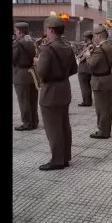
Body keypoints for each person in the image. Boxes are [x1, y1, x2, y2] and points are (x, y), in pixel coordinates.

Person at [35, 15, 78, 170]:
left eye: (46, 29)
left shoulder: (47, 49)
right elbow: (74, 69)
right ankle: (65, 157)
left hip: (51, 91)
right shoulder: (67, 46)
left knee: (53, 128)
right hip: (64, 88)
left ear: (51, 30)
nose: (45, 33)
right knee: (64, 124)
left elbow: (41, 73)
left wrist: (38, 62)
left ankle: (57, 160)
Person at [85, 25, 112, 139]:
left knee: (101, 108)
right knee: (107, 108)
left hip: (100, 82)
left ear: (98, 36)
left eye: (94, 36)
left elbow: (91, 65)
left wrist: (88, 56)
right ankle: (106, 129)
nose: (93, 38)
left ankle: (103, 131)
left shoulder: (99, 49)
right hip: (108, 79)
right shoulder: (110, 47)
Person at [12, 22, 38, 131]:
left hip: (21, 75)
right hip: (32, 74)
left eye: (15, 30)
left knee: (24, 101)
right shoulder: (32, 41)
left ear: (19, 31)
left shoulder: (17, 43)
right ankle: (34, 122)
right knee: (33, 100)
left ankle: (27, 124)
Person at [76, 30, 94, 107]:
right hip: (89, 68)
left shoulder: (88, 46)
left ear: (86, 37)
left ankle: (86, 102)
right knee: (88, 86)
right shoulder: (93, 45)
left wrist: (79, 50)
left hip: (84, 68)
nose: (83, 38)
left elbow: (81, 57)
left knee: (84, 86)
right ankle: (88, 100)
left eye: (84, 37)